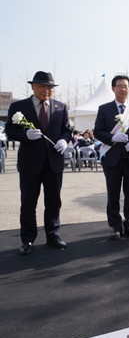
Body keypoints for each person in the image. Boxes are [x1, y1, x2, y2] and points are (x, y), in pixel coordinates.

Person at [5, 71, 73, 255]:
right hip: (30, 164)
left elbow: (67, 131)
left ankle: (53, 235)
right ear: (33, 86)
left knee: (53, 202)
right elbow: (10, 131)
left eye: (49, 87)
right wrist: (24, 135)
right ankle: (27, 239)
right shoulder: (19, 107)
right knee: (28, 203)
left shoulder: (61, 107)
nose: (46, 90)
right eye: (42, 86)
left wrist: (65, 140)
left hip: (54, 163)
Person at [93, 75, 129, 240]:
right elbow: (97, 131)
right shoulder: (104, 109)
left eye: (126, 86)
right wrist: (112, 138)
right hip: (112, 159)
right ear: (113, 89)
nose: (123, 89)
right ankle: (115, 226)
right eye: (119, 86)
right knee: (113, 193)